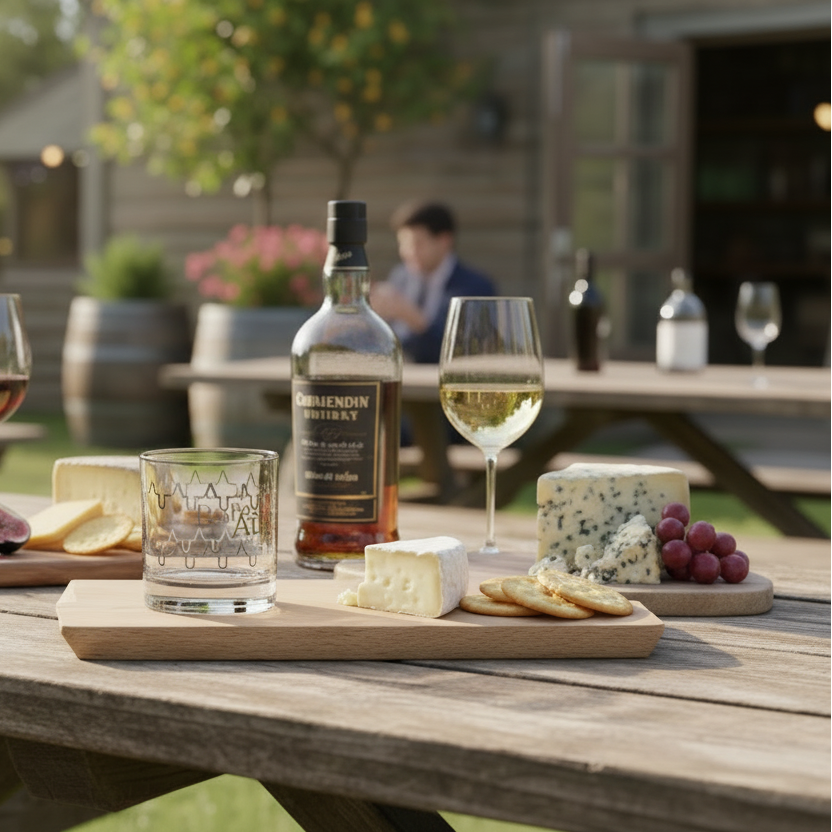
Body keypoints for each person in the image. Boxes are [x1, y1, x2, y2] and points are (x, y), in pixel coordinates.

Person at [370, 200, 496, 363]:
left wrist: (414, 318)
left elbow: (466, 352)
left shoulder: (475, 287)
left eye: (417, 243)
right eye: (403, 243)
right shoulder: (401, 276)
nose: (407, 252)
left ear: (444, 241)